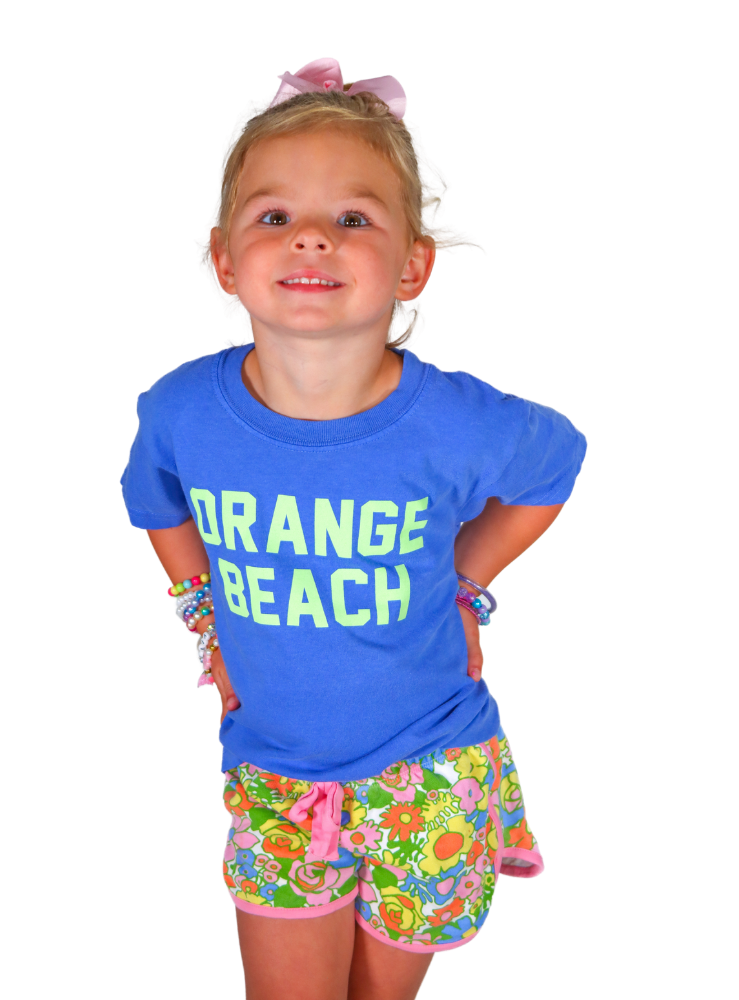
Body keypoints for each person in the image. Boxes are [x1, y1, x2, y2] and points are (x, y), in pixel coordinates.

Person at [120, 58, 588, 1000]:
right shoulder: (181, 410)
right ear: (222, 259)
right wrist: (205, 621)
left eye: (352, 218)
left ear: (411, 265)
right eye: (273, 216)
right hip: (274, 776)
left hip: (434, 774)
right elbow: (154, 501)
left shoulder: (462, 423)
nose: (311, 237)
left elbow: (557, 465)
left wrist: (467, 585)